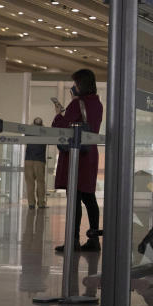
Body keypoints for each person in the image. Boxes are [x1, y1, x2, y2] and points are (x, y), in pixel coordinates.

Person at [53, 69, 103, 252]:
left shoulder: (77, 104)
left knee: (74, 198)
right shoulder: (97, 104)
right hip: (90, 154)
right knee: (89, 197)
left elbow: (61, 128)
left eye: (75, 84)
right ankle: (94, 238)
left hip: (76, 155)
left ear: (81, 84)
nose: (73, 87)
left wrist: (59, 113)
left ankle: (73, 239)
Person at [23, 117, 48, 209]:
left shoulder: (28, 131)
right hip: (40, 161)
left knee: (30, 183)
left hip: (28, 160)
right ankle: (41, 203)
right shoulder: (45, 131)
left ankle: (31, 204)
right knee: (40, 182)